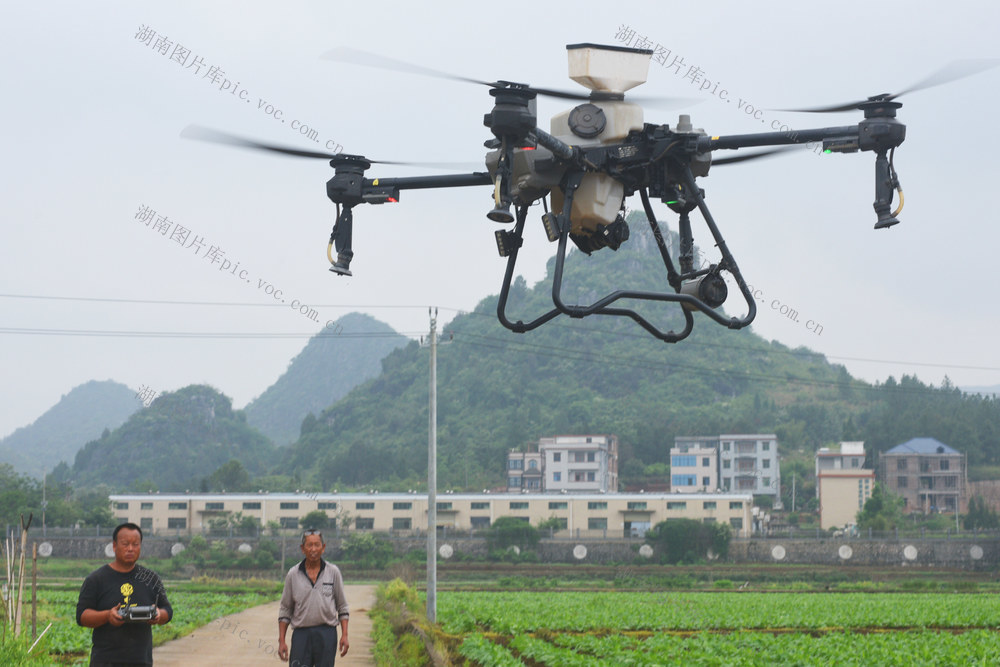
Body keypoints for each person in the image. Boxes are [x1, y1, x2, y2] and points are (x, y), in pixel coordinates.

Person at [76, 522, 172, 666]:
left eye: (135, 544)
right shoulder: (96, 579)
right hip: (105, 661)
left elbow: (168, 611)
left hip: (141, 661)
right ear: (114, 546)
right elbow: (82, 616)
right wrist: (108, 615)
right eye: (125, 544)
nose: (130, 549)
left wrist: (159, 615)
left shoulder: (150, 578)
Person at [278, 529, 350, 666]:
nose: (313, 549)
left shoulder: (333, 572)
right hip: (301, 635)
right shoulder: (293, 574)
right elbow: (285, 609)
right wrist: (281, 640)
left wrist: (345, 635)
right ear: (302, 549)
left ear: (323, 548)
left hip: (327, 634)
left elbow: (342, 606)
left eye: (317, 545)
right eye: (309, 545)